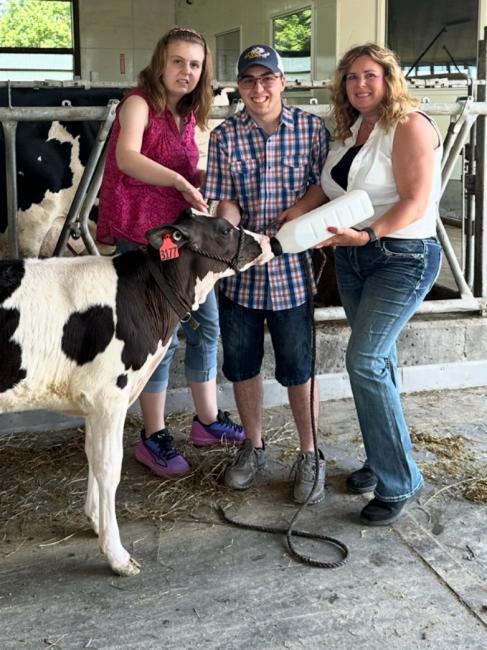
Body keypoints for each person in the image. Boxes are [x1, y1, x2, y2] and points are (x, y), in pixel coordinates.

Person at [96, 27, 245, 479]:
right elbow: (127, 156)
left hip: (181, 241)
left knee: (207, 324)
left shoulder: (188, 115)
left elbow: (183, 167)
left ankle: (206, 420)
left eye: (195, 65)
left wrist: (206, 173)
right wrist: (181, 182)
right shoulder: (138, 103)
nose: (186, 71)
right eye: (178, 61)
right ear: (161, 62)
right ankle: (154, 435)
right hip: (144, 239)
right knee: (160, 337)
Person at [319, 43, 442, 525]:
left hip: (403, 257)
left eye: (370, 75)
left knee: (365, 361)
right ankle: (382, 459)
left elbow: (415, 201)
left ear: (388, 79)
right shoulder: (350, 132)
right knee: (380, 361)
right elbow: (336, 194)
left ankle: (401, 480)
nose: (360, 85)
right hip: (353, 259)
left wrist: (369, 234)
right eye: (351, 78)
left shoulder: (408, 125)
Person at [204, 44, 329, 504]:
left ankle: (310, 454)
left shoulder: (311, 129)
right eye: (249, 80)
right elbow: (225, 198)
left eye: (267, 78)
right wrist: (232, 233)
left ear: (283, 81)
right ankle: (254, 448)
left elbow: (321, 186)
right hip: (241, 274)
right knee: (242, 366)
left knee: (300, 369)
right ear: (239, 87)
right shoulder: (224, 136)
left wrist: (285, 224)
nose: (259, 88)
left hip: (293, 268)